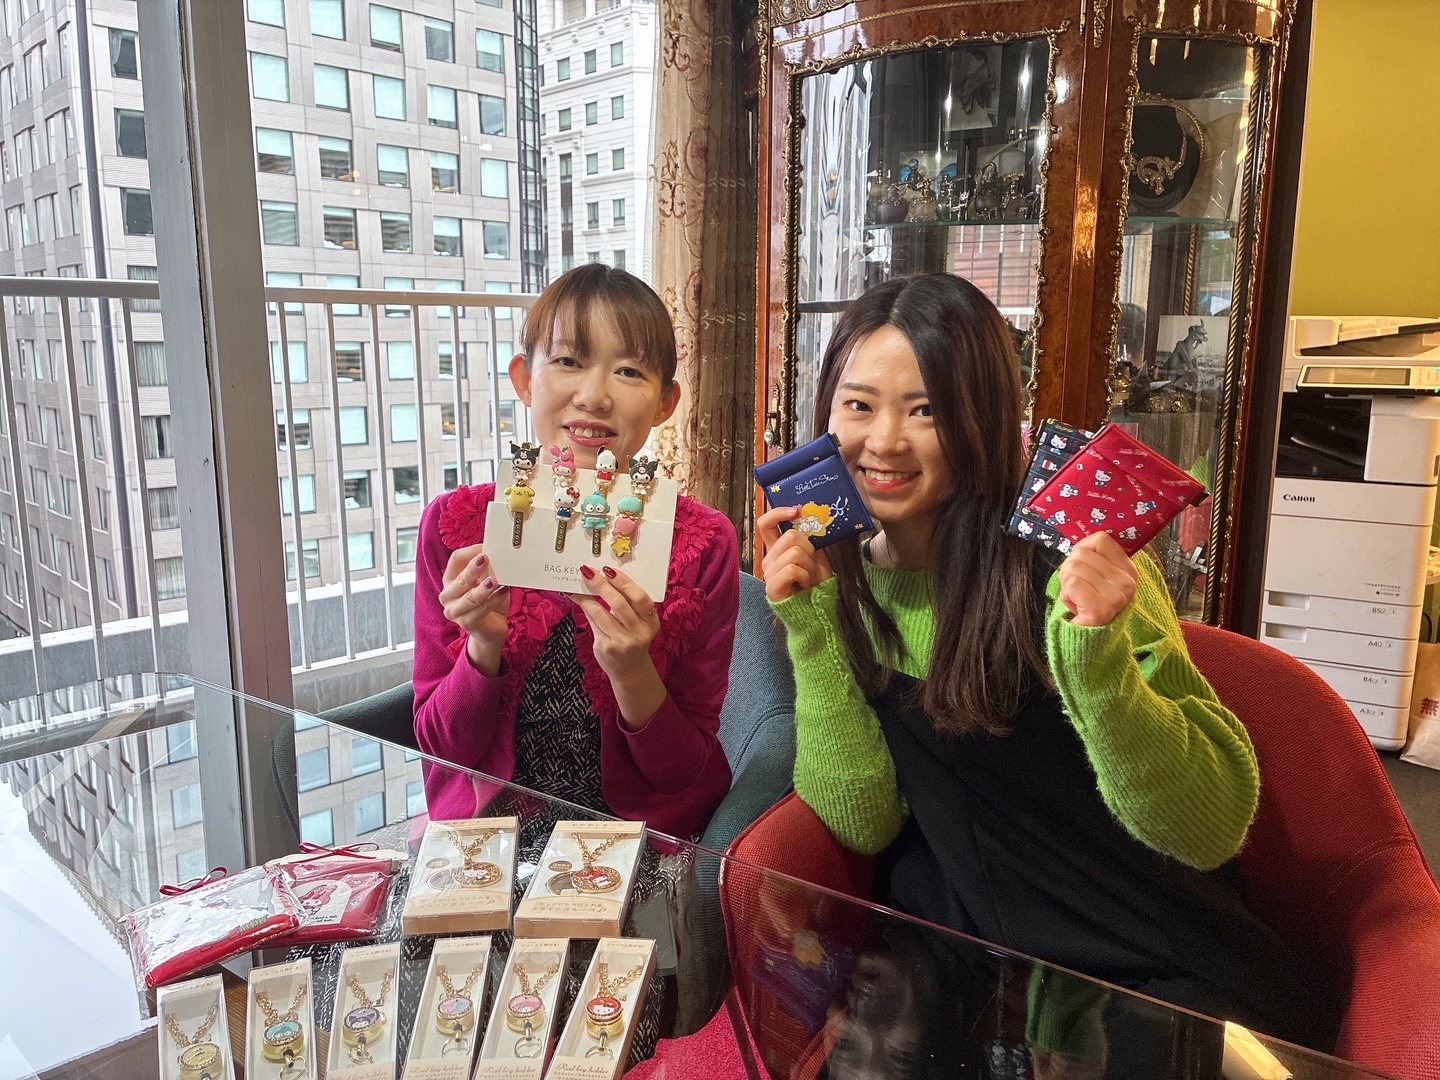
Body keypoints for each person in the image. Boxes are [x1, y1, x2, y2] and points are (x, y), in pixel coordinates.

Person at [758, 273, 1338, 1049]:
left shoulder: (1073, 564)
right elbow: (863, 820)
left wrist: (1097, 663)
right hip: (983, 971)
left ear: (985, 417)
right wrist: (811, 628)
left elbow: (1212, 825)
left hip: (1151, 956)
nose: (885, 441)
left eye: (926, 410)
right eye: (859, 405)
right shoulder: (843, 580)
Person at [413, 264, 739, 842]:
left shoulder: (703, 545)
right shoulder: (455, 529)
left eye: (629, 371)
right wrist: (483, 646)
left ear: (666, 402)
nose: (593, 396)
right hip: (485, 843)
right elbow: (443, 746)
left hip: (636, 844)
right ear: (524, 379)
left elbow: (682, 772)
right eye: (567, 361)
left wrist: (631, 668)